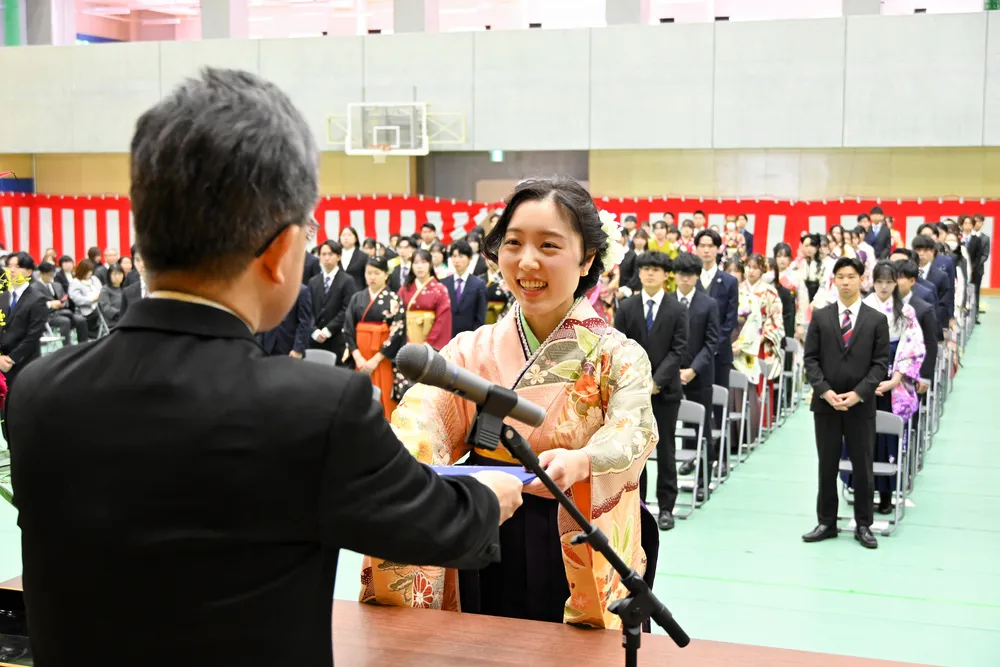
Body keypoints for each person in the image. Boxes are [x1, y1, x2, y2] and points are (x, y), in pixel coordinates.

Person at [7, 67, 524, 667]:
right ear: (281, 252)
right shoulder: (315, 409)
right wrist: (491, 495)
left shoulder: (38, 391)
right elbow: (439, 527)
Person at [362, 177, 658, 629]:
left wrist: (583, 460)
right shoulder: (471, 349)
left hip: (567, 526)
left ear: (589, 258)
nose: (527, 261)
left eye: (549, 245)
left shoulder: (619, 354)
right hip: (484, 519)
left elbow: (633, 430)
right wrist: (396, 454)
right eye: (513, 242)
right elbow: (424, 416)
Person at [802, 256, 890, 550]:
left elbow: (880, 365)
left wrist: (859, 393)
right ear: (834, 280)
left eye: (851, 276)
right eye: (840, 276)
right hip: (826, 405)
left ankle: (863, 524)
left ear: (861, 280)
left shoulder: (876, 320)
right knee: (826, 464)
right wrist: (825, 391)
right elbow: (810, 359)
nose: (846, 281)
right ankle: (826, 521)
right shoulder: (822, 316)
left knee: (862, 465)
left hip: (860, 405)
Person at [614, 251, 686, 530]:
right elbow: (619, 347)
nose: (650, 274)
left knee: (666, 449)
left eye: (656, 269)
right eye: (645, 269)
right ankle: (637, 505)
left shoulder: (678, 309)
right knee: (634, 451)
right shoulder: (626, 307)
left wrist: (656, 382)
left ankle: (666, 507)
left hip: (665, 393)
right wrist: (636, 382)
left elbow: (678, 349)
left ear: (666, 274)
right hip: (632, 393)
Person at [859, 261, 925, 514]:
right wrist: (868, 380)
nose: (884, 287)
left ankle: (886, 493)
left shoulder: (906, 312)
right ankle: (862, 489)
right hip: (866, 381)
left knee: (886, 438)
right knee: (862, 436)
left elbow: (911, 349)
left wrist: (896, 379)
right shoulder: (863, 308)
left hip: (892, 379)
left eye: (889, 282)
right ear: (872, 283)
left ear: (896, 283)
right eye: (879, 282)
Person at [673, 252, 721, 499]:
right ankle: (670, 485)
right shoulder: (669, 301)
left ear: (696, 277)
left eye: (689, 275)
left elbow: (712, 342)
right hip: (670, 377)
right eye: (681, 274)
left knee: (703, 430)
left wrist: (693, 370)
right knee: (669, 430)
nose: (684, 279)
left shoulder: (708, 304)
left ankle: (704, 482)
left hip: (699, 377)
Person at [344, 255, 406, 420]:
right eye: (368, 273)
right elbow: (348, 328)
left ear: (386, 274)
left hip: (382, 358)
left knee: (383, 395)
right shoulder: (357, 298)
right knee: (359, 396)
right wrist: (357, 357)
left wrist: (376, 359)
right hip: (361, 357)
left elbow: (397, 332)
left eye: (376, 273)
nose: (371, 277)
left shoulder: (393, 299)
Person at [0, 252, 49, 392]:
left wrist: (11, 359)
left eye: (18, 266)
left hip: (23, 361)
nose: (12, 270)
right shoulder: (3, 297)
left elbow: (33, 335)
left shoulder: (37, 299)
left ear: (29, 272)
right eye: (9, 266)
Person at [307, 240, 356, 364]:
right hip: (314, 338)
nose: (326, 258)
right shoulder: (313, 281)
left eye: (330, 254)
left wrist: (328, 330)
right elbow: (308, 308)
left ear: (338, 256)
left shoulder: (347, 281)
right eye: (323, 254)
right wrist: (314, 330)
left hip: (336, 337)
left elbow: (346, 309)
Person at [397, 248, 452, 350]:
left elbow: (443, 319)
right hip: (407, 342)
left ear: (430, 264)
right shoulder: (404, 289)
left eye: (423, 262)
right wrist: (404, 340)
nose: (419, 266)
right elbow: (398, 317)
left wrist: (428, 344)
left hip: (430, 343)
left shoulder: (440, 289)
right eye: (416, 262)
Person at [441, 240, 487, 337]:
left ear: (469, 258)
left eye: (461, 256)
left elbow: (480, 317)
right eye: (454, 256)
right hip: (446, 336)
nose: (457, 260)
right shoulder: (443, 283)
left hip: (469, 337)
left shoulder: (479, 285)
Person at [256, 283, 313, 358]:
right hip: (267, 344)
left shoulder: (302, 291)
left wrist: (297, 349)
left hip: (288, 347)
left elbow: (304, 323)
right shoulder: (270, 287)